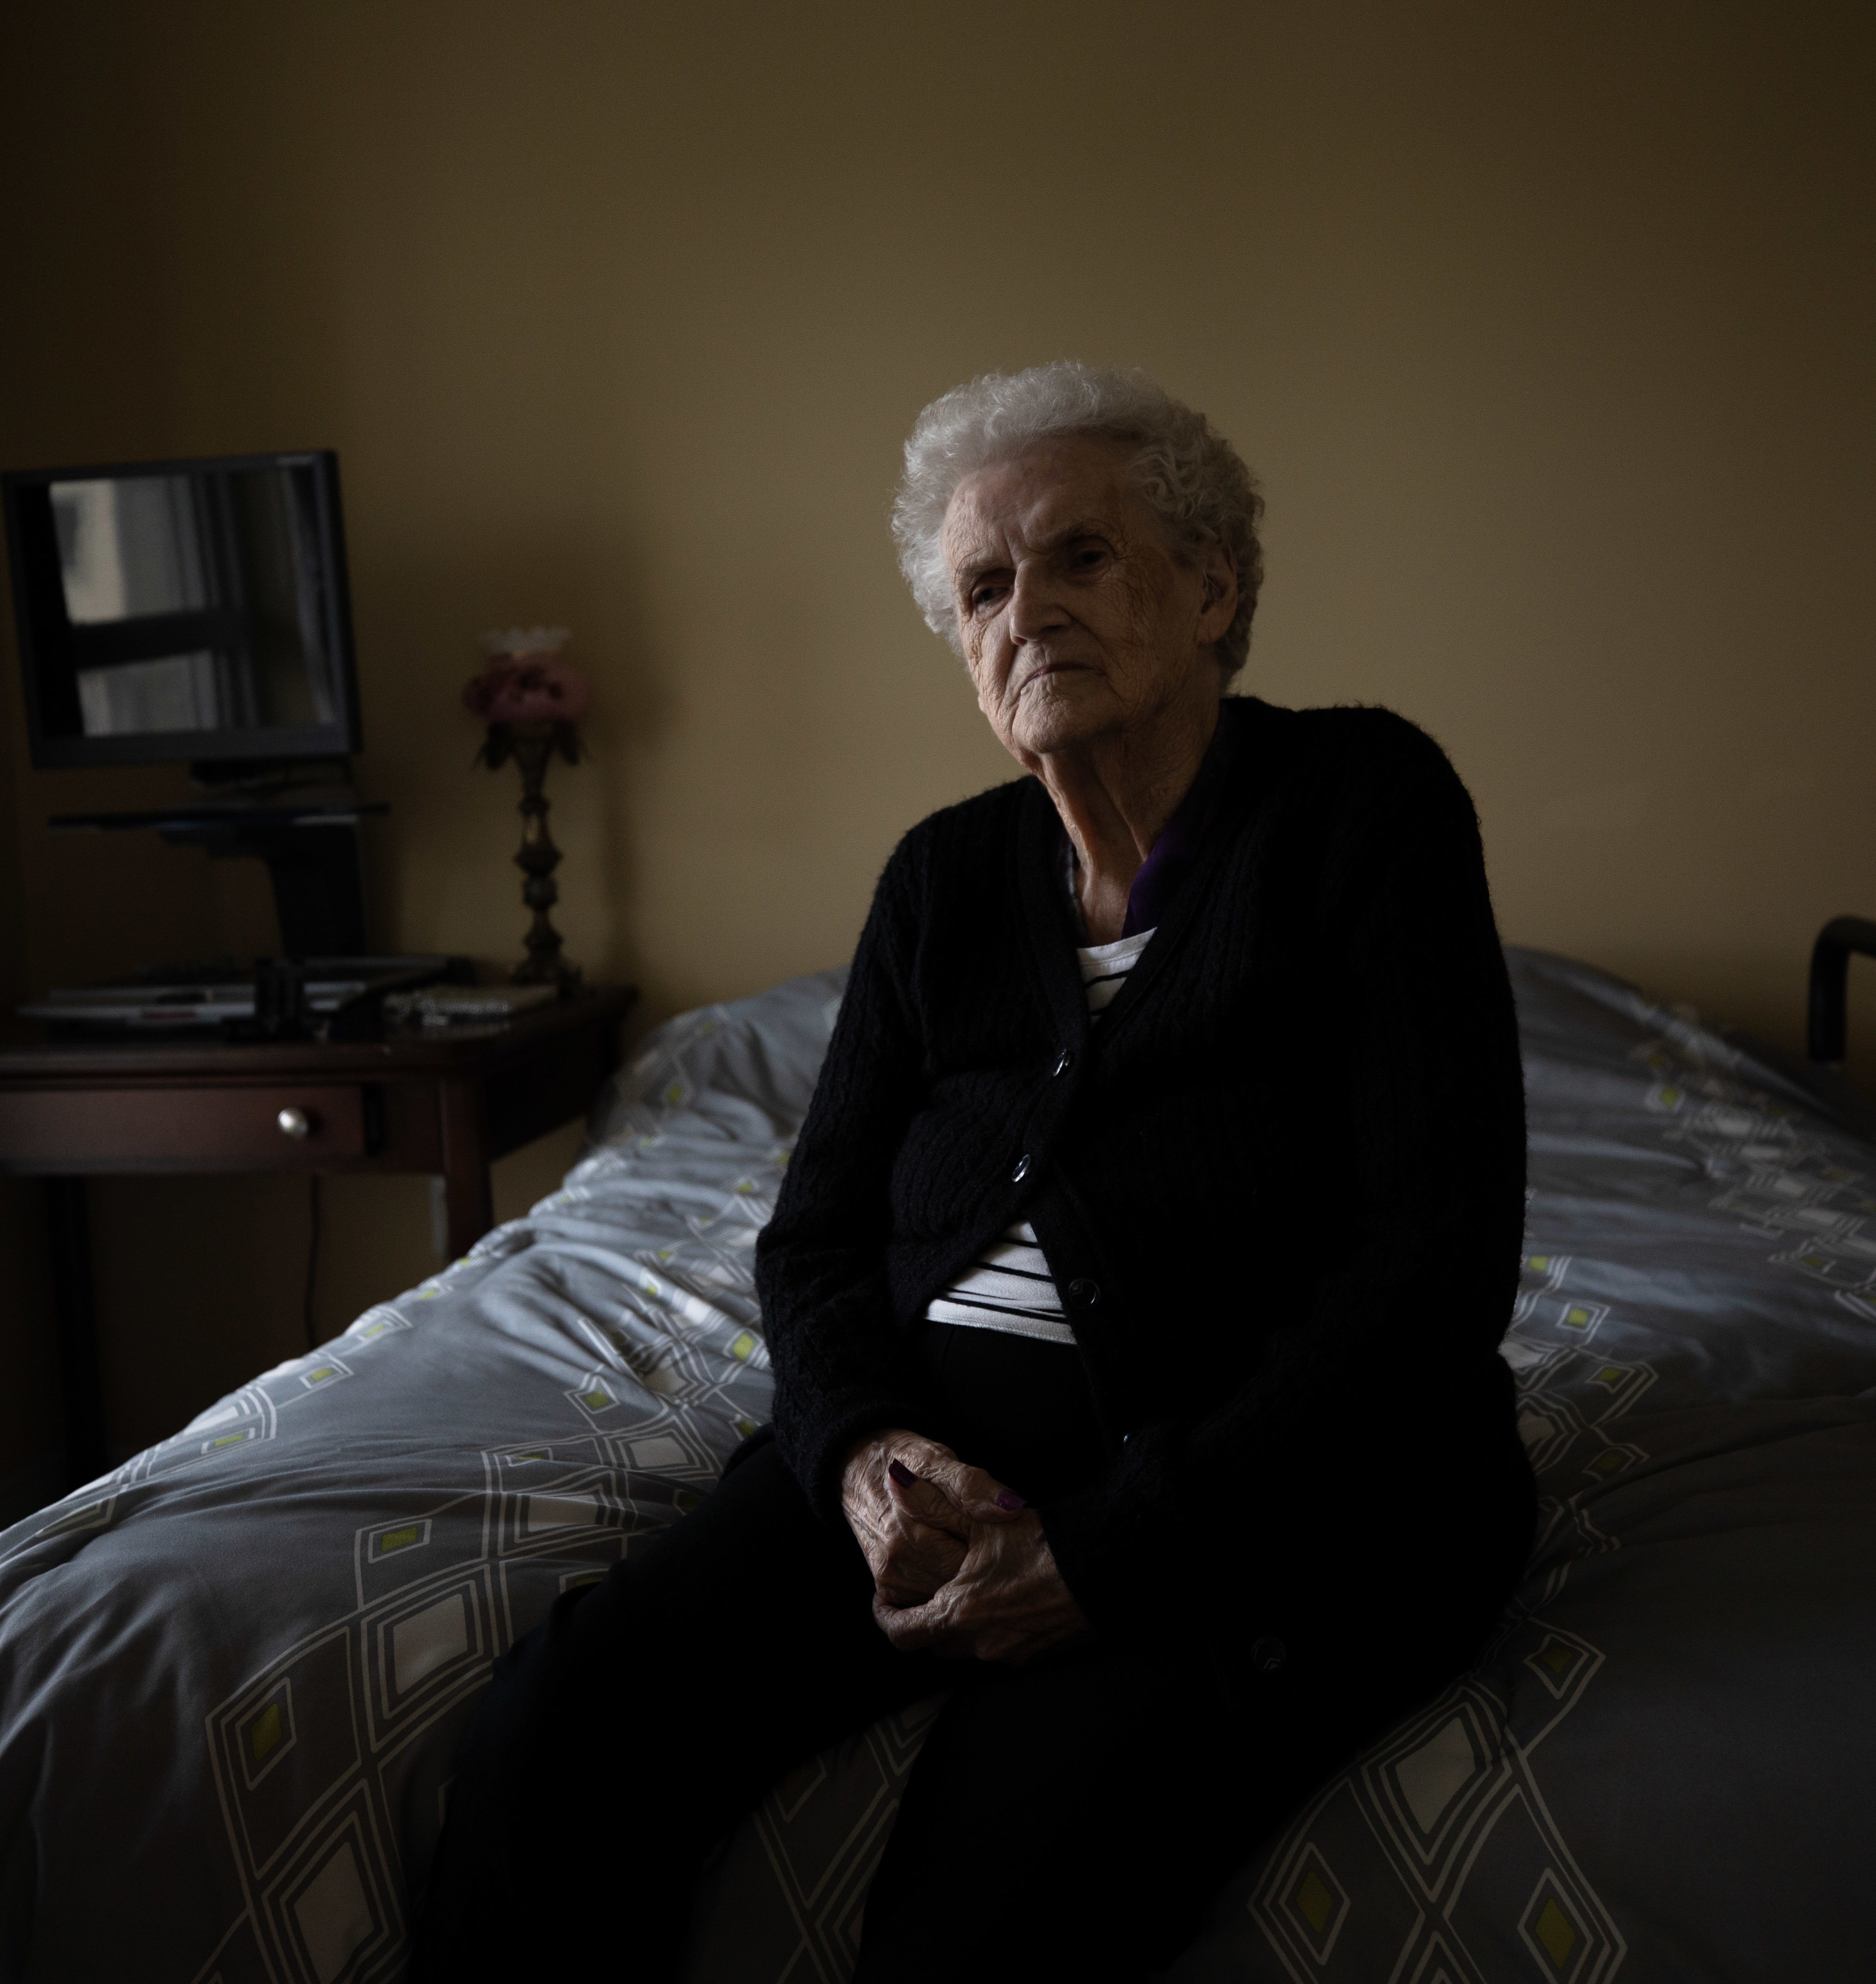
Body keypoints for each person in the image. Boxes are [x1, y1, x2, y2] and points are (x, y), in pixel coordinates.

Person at [414, 362, 1533, 1982]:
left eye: (1082, 555)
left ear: (1213, 586)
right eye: (984, 586)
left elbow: (1435, 1266)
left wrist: (1105, 1553)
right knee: (556, 1733)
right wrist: (862, 1456)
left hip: (1252, 1483)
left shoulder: (1365, 804)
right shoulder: (943, 880)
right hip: (932, 1468)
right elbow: (814, 1244)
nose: (1029, 611)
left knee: (974, 1916)